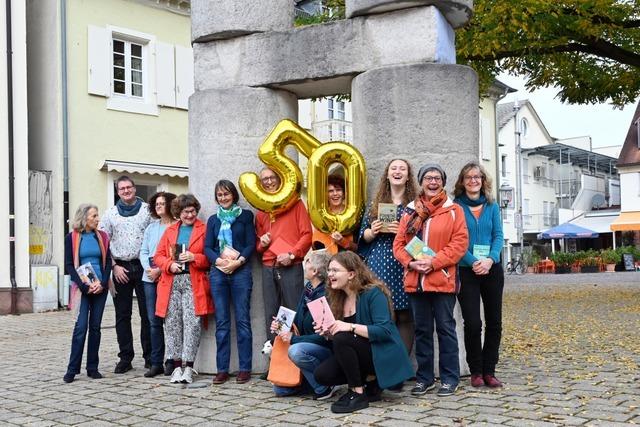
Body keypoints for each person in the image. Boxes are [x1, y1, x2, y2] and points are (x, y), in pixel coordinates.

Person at [392, 163, 468, 397]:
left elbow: (459, 244)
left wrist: (433, 263)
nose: (432, 182)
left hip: (442, 280)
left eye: (437, 178)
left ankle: (449, 378)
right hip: (416, 281)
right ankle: (425, 379)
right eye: (428, 178)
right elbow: (399, 245)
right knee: (423, 331)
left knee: (446, 330)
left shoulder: (454, 210)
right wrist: (411, 263)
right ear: (421, 182)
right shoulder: (410, 211)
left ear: (443, 182)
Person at [314, 252, 414, 414]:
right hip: (362, 353)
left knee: (343, 336)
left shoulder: (374, 293)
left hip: (381, 352)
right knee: (322, 375)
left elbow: (384, 331)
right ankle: (370, 383)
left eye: (335, 270)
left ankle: (357, 393)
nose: (330, 274)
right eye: (329, 270)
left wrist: (349, 327)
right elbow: (343, 341)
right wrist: (328, 332)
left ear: (352, 274)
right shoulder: (338, 298)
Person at [358, 159, 418, 381]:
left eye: (403, 168)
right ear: (387, 174)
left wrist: (401, 234)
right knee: (382, 317)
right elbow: (361, 238)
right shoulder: (376, 204)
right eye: (394, 168)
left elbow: (423, 240)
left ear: (408, 175)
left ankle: (398, 372)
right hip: (379, 263)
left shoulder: (416, 205)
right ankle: (381, 370)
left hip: (403, 264)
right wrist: (372, 231)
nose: (398, 171)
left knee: (404, 316)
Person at [453, 162, 505, 388]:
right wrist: (474, 262)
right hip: (467, 271)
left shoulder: (492, 206)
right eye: (468, 177)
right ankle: (475, 371)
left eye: (477, 177)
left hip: (492, 269)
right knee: (473, 323)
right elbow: (454, 240)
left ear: (483, 181)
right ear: (462, 182)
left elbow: (498, 235)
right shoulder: (455, 207)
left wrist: (490, 259)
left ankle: (489, 370)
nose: (473, 181)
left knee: (495, 322)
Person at [154, 194, 214, 384]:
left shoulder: (204, 229)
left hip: (193, 281)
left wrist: (194, 257)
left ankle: (189, 366)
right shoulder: (170, 230)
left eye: (193, 211)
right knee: (172, 324)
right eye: (186, 211)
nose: (190, 215)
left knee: (192, 324)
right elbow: (158, 256)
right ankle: (176, 366)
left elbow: (210, 257)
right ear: (178, 213)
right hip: (172, 282)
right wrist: (169, 265)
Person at [205, 180, 256, 385]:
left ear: (233, 195)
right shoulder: (212, 220)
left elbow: (251, 243)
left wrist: (238, 262)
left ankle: (245, 368)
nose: (223, 198)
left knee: (243, 321)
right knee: (222, 323)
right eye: (219, 195)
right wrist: (218, 261)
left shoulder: (245, 216)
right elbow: (207, 247)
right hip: (218, 273)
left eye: (226, 194)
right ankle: (222, 369)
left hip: (241, 271)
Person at [99, 176, 151, 373]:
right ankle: (125, 357)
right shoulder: (110, 214)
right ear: (117, 191)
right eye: (122, 188)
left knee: (147, 314)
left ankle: (150, 356)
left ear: (135, 188)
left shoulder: (147, 211)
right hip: (121, 268)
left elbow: (156, 237)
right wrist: (114, 267)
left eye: (129, 187)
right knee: (122, 315)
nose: (126, 191)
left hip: (143, 266)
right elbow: (104, 243)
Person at [255, 167, 312, 336]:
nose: (269, 181)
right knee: (272, 313)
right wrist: (262, 243)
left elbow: (307, 235)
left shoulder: (295, 204)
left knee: (293, 310)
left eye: (272, 177)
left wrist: (292, 254)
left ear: (280, 181)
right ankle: (276, 355)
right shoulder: (260, 211)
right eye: (265, 179)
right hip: (268, 267)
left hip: (290, 265)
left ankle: (295, 353)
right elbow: (258, 247)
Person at [270, 250, 334, 399]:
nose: (304, 265)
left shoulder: (323, 295)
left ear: (315, 271)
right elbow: (298, 318)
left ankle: (324, 387)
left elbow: (322, 337)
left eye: (307, 262)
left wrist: (293, 339)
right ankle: (308, 382)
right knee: (280, 390)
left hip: (322, 350)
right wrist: (280, 325)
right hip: (305, 345)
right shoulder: (308, 290)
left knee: (296, 351)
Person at [63, 204, 112, 383]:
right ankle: (72, 369)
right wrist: (84, 287)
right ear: (84, 217)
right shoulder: (72, 238)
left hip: (101, 287)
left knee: (96, 328)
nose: (97, 219)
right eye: (94, 216)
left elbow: (108, 263)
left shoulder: (103, 237)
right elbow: (69, 264)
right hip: (82, 289)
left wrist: (104, 283)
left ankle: (92, 367)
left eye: (97, 215)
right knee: (81, 327)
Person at [140, 191, 177, 377]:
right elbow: (143, 251)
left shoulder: (177, 227)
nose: (159, 206)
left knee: (169, 321)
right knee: (153, 322)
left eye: (162, 203)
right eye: (156, 204)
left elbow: (175, 255)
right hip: (149, 279)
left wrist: (160, 270)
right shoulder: (151, 228)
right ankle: (156, 362)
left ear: (171, 204)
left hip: (167, 276)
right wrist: (149, 270)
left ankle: (171, 360)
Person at [311, 174, 358, 254]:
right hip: (324, 261)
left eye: (338, 190)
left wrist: (342, 241)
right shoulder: (321, 215)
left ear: (344, 193)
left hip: (345, 262)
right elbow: (316, 244)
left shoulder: (351, 215)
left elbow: (357, 247)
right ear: (325, 194)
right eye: (330, 191)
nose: (335, 194)